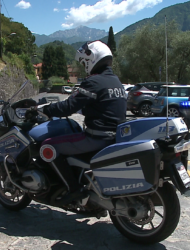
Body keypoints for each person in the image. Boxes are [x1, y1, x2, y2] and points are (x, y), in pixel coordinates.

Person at [26, 40, 127, 204]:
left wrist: (46, 109)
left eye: (84, 62)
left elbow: (68, 106)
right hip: (114, 136)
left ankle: (74, 189)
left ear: (91, 59)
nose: (83, 66)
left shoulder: (94, 81)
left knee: (48, 146)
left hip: (96, 138)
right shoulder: (116, 81)